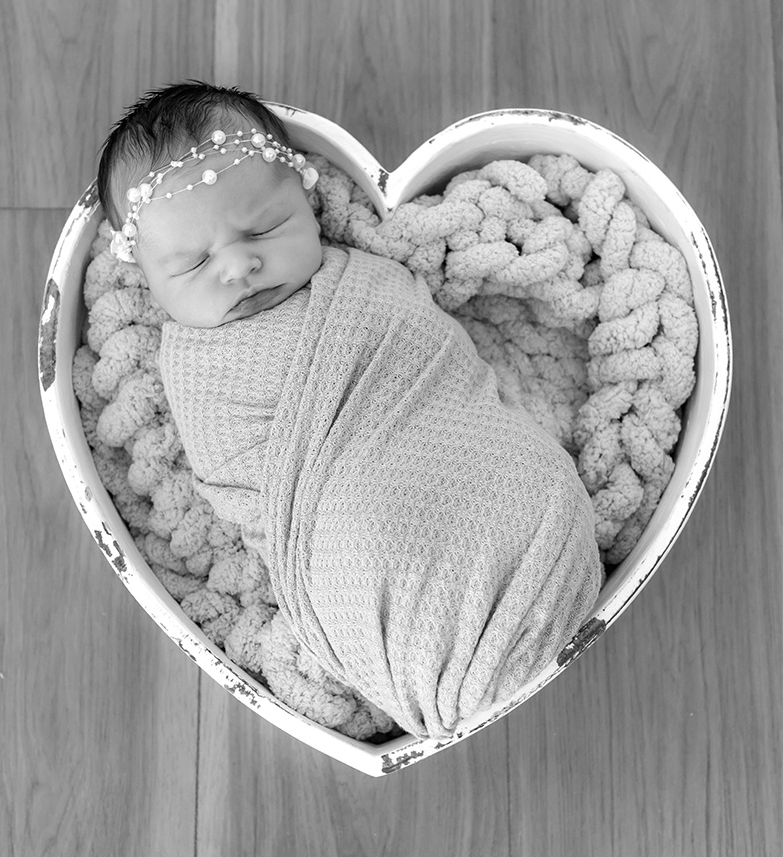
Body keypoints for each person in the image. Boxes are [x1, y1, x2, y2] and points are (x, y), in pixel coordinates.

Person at [97, 81, 602, 741]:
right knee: (368, 544)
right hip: (342, 531)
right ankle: (448, 658)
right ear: (150, 281)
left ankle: (533, 569)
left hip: (462, 453)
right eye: (191, 264)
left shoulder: (365, 281)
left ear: (307, 199)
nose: (239, 264)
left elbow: (432, 356)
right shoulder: (196, 370)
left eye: (263, 227)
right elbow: (241, 486)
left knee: (516, 478)